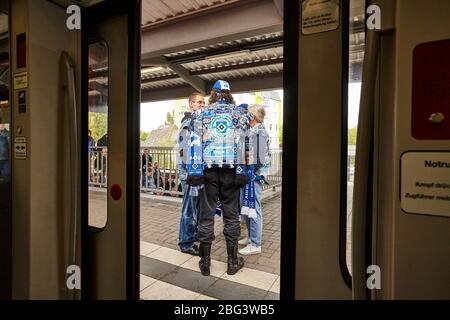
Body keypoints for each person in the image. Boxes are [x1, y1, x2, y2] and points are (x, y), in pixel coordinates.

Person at [186, 80, 251, 276]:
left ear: (213, 94)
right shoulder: (241, 114)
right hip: (233, 172)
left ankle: (205, 264)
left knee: (206, 215)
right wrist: (245, 170)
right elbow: (247, 144)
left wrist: (194, 171)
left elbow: (193, 142)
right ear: (229, 94)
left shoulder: (200, 114)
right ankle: (232, 263)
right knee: (231, 215)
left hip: (207, 172)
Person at [239, 105, 271, 255]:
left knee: (255, 209)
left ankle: (255, 243)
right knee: (248, 207)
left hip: (255, 176)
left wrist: (248, 165)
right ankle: (251, 238)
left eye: (247, 114)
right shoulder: (255, 131)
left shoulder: (260, 133)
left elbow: (259, 158)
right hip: (250, 174)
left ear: (252, 117)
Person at [177, 92, 205, 256]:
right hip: (189, 174)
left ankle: (192, 237)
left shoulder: (198, 123)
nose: (201, 105)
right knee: (188, 210)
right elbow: (184, 150)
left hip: (196, 173)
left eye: (203, 103)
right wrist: (188, 173)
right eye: (198, 103)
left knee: (195, 209)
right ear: (191, 104)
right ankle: (185, 243)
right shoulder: (188, 123)